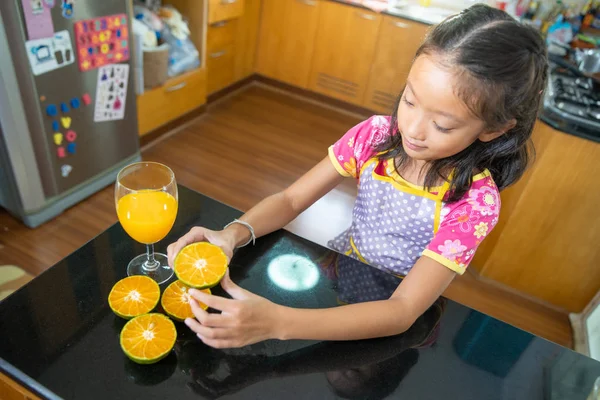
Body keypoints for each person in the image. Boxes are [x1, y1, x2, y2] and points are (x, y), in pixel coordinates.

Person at [166, 3, 548, 349]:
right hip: (346, 266)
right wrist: (232, 234)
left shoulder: (474, 203)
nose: (412, 129)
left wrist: (279, 322)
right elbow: (291, 200)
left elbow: (402, 310)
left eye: (443, 125)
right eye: (409, 101)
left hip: (391, 311)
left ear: (493, 129)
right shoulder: (376, 136)